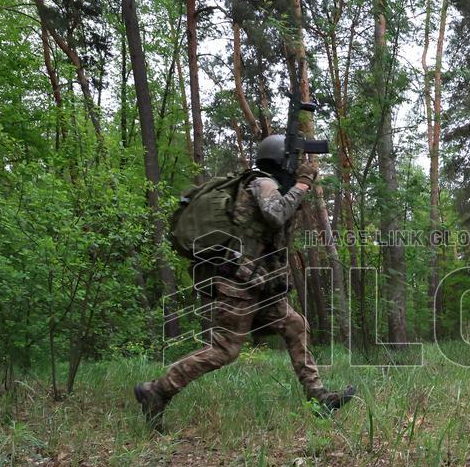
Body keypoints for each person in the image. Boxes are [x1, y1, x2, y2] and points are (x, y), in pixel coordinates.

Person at [133, 135, 355, 432]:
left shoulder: (269, 185)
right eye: (292, 162)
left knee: (295, 325)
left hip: (259, 284)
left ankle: (318, 397)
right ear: (280, 162)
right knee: (225, 350)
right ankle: (156, 391)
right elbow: (276, 215)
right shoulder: (262, 183)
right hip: (236, 284)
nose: (296, 168)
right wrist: (302, 184)